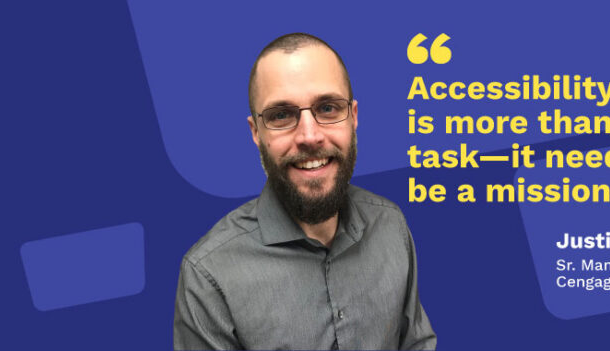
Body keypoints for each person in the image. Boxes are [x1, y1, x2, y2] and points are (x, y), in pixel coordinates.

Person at [173, 33, 436, 350]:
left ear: (353, 117)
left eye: (327, 107)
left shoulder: (391, 226)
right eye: (281, 115)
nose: (310, 136)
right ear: (256, 132)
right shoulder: (208, 275)